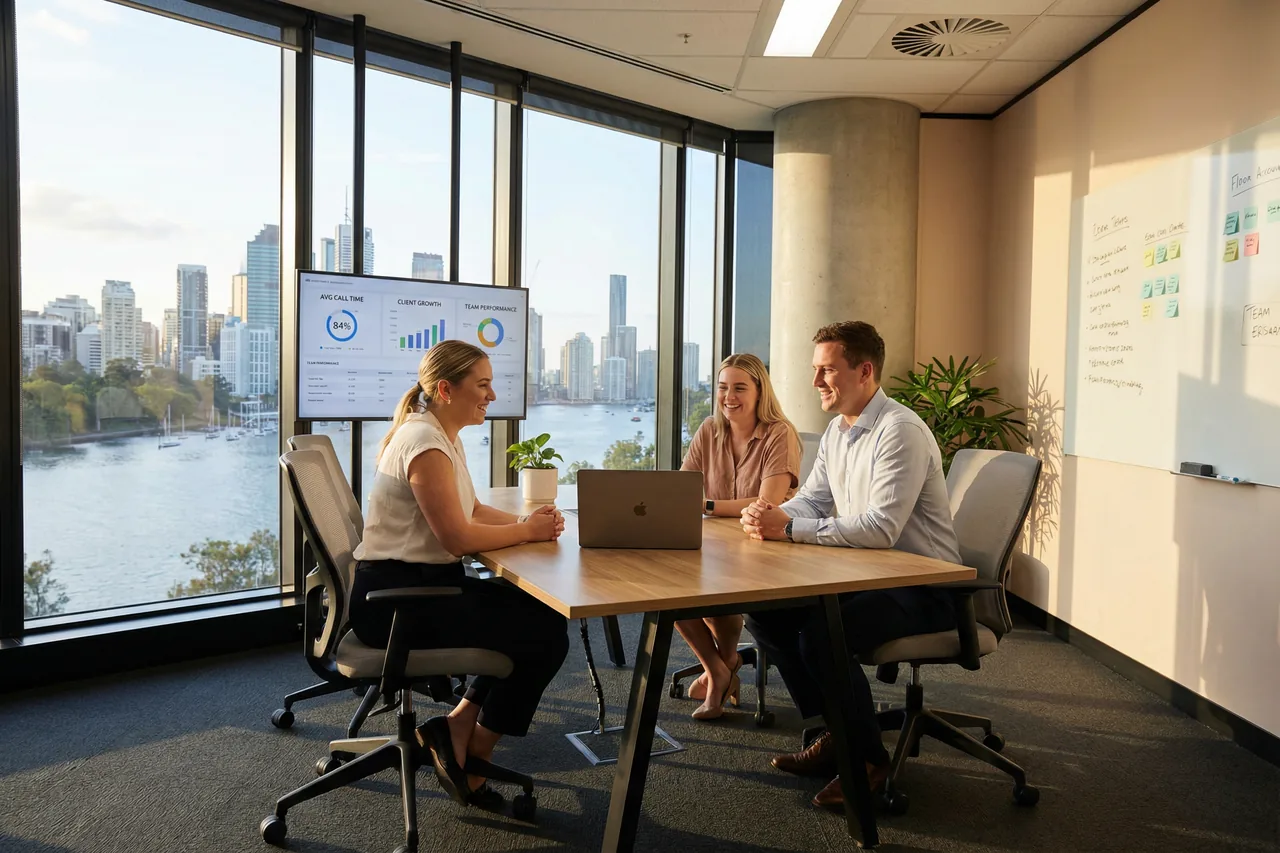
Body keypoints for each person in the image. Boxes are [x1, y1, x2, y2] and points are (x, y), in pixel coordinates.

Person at [739, 321, 961, 811]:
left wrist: (789, 529)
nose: (816, 382)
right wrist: (773, 514)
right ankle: (834, 734)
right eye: (815, 371)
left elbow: (882, 528)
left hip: (925, 586)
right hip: (871, 578)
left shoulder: (898, 431)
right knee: (766, 614)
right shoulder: (839, 431)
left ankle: (867, 761)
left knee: (822, 636)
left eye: (827, 371)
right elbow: (815, 501)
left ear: (864, 371)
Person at [348, 339, 570, 810]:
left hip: (416, 589)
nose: (491, 395)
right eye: (483, 385)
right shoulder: (425, 444)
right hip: (396, 605)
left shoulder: (440, 434)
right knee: (545, 633)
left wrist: (530, 527)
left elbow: (470, 511)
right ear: (446, 390)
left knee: (537, 613)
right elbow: (457, 538)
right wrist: (525, 532)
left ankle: (457, 725)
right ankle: (472, 761)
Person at [677, 353, 801, 720]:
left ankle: (720, 669)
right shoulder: (708, 430)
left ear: (760, 392)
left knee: (710, 593)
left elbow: (768, 504)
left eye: (739, 388)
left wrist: (709, 506)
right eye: (722, 388)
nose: (729, 396)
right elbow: (683, 488)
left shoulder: (780, 433)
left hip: (764, 546)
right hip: (715, 544)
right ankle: (720, 666)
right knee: (666, 591)